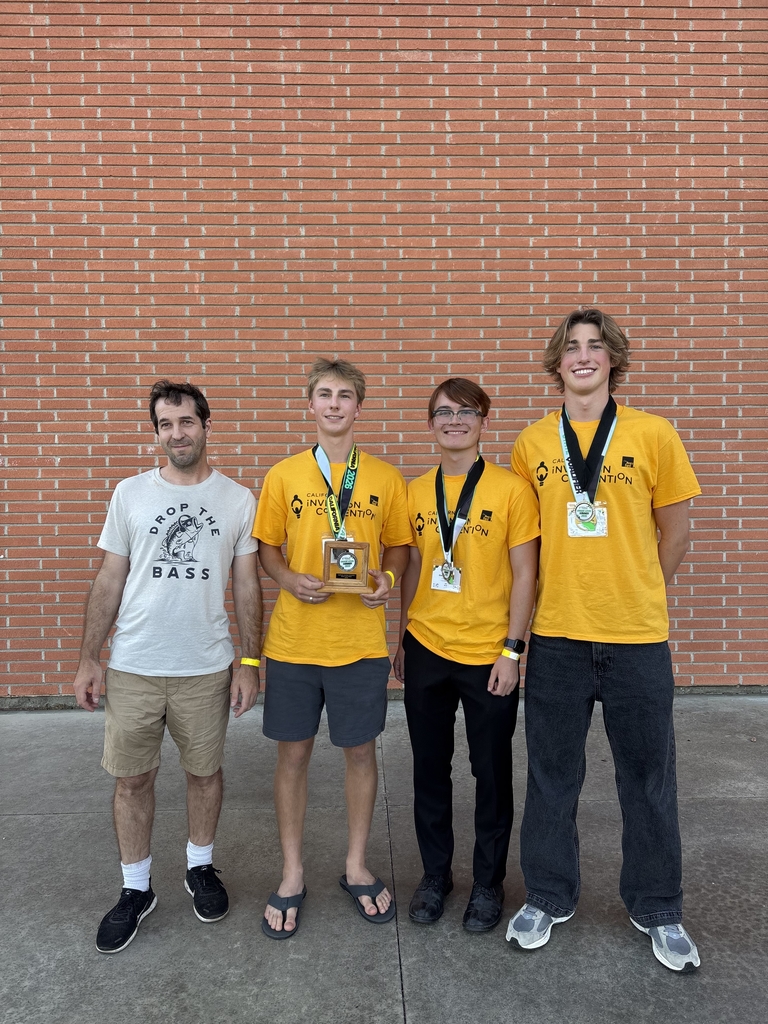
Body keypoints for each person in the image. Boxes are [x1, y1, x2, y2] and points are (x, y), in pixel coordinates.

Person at [505, 308, 702, 972]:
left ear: (613, 359)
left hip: (637, 639)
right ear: (556, 363)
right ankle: (548, 896)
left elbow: (675, 532)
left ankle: (659, 908)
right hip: (557, 637)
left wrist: (639, 587)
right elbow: (526, 549)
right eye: (571, 348)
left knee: (648, 780)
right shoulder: (533, 443)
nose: (583, 357)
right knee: (552, 777)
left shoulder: (654, 434)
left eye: (595, 347)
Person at [73, 380, 262, 954]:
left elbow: (247, 584)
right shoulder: (130, 495)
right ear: (156, 432)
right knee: (133, 779)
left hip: (205, 665)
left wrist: (249, 661)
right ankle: (136, 888)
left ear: (206, 425)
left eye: (186, 422)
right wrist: (89, 657)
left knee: (204, 773)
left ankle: (200, 867)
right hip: (135, 663)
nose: (176, 433)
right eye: (165, 424)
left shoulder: (236, 500)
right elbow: (110, 579)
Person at [253, 357, 411, 939]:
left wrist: (387, 583)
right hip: (294, 643)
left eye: (346, 394)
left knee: (360, 755)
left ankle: (355, 864)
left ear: (359, 407)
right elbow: (268, 547)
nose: (335, 404)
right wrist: (288, 579)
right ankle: (292, 871)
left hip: (360, 644)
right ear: (311, 405)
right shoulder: (284, 475)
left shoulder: (385, 478)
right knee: (292, 757)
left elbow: (398, 548)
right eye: (325, 394)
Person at [393, 379, 539, 931]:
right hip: (427, 647)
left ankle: (487, 882)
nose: (454, 421)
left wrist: (512, 650)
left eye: (466, 412)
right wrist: (401, 639)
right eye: (443, 412)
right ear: (430, 423)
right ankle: (436, 876)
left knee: (491, 772)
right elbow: (411, 568)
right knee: (429, 770)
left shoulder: (511, 490)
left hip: (488, 655)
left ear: (484, 421)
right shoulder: (414, 491)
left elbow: (526, 573)